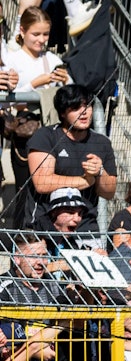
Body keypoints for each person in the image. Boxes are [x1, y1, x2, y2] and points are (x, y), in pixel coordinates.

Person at [24, 84, 116, 232]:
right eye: (75, 108)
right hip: (44, 226)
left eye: (87, 106)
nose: (84, 113)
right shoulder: (46, 137)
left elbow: (109, 192)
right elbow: (42, 183)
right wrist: (84, 180)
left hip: (85, 228)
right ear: (62, 114)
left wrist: (100, 172)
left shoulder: (101, 142)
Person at [5, 7, 64, 229]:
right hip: (25, 133)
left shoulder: (52, 58)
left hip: (51, 131)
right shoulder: (13, 59)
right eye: (36, 34)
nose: (41, 40)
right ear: (22, 31)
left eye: (45, 34)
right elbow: (11, 101)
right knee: (25, 188)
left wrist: (64, 80)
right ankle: (20, 241)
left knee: (50, 187)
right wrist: (35, 85)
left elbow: (68, 94)